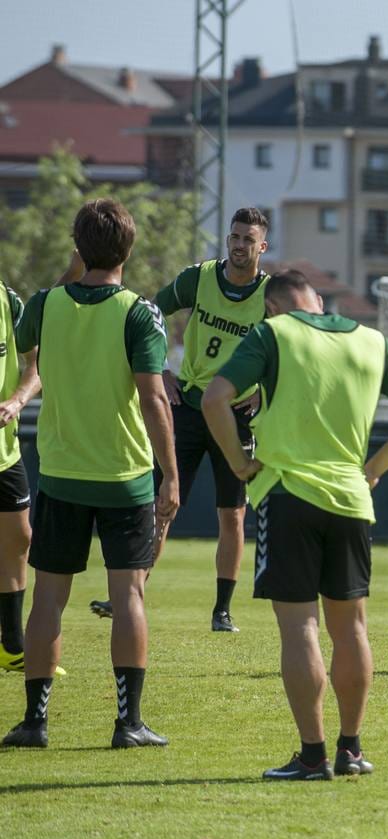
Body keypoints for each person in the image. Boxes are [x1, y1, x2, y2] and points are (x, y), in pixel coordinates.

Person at [202, 269, 388, 780]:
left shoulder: (273, 333)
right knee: (351, 628)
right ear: (317, 299)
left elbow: (213, 398)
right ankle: (350, 750)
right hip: (352, 500)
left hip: (289, 496)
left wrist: (240, 464)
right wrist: (374, 469)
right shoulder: (372, 340)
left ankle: (312, 756)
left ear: (273, 307)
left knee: (299, 627)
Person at [3, 199, 180, 750]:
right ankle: (128, 723)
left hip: (59, 474)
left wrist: (69, 271)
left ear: (78, 249)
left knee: (49, 598)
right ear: (129, 250)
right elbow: (153, 398)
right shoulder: (139, 312)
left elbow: (31, 333)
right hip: (124, 474)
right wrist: (170, 477)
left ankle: (35, 722)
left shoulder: (45, 303)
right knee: (127, 596)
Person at [90, 207, 270, 633]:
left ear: (262, 246)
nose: (240, 245)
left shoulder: (270, 294)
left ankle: (221, 611)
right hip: (188, 406)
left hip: (234, 416)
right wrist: (162, 372)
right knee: (164, 504)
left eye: (249, 239)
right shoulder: (199, 277)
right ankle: (129, 596)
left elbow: (289, 348)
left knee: (232, 515)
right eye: (235, 236)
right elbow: (149, 314)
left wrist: (263, 390)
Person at [0, 274, 42, 674]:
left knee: (19, 540)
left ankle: (12, 647)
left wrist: (17, 399)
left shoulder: (8, 302)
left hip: (5, 452)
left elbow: (36, 364)